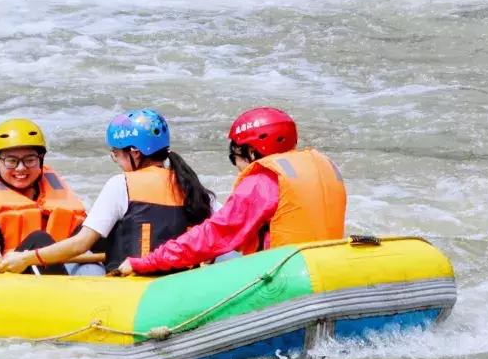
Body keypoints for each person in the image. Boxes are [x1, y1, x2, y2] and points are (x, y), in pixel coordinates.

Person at [113, 107, 347, 276]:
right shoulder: (322, 168)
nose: (236, 167)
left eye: (234, 157)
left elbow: (214, 234)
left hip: (284, 276)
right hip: (327, 270)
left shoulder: (262, 180)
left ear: (252, 153)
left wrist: (147, 261)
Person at [0, 109, 214, 274]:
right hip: (179, 283)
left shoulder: (122, 184)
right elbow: (222, 229)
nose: (117, 161)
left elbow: (80, 244)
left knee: (39, 239)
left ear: (135, 153)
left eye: (116, 154)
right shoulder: (191, 186)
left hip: (130, 288)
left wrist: (26, 258)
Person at [0, 118, 87, 272]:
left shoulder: (58, 196)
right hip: (11, 270)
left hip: (58, 265)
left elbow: (84, 234)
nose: (21, 168)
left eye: (30, 160)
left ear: (40, 161)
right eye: (11, 161)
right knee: (39, 239)